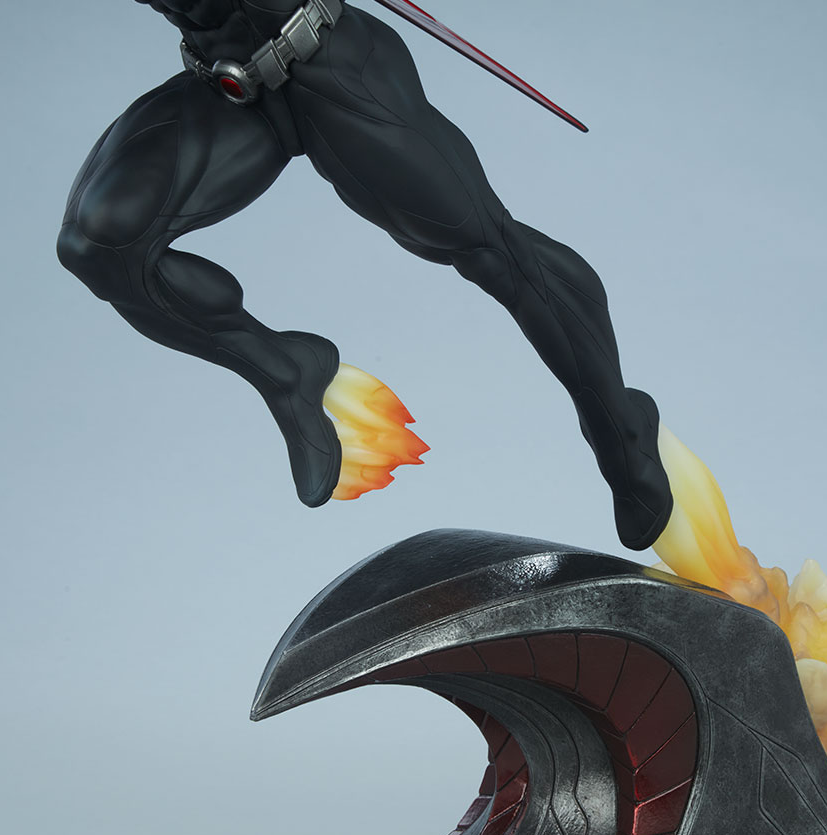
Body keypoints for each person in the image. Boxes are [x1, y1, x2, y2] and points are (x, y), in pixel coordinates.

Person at [57, 0, 672, 549]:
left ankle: (620, 429)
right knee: (98, 244)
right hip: (227, 88)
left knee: (496, 252)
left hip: (326, 57)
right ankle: (287, 372)